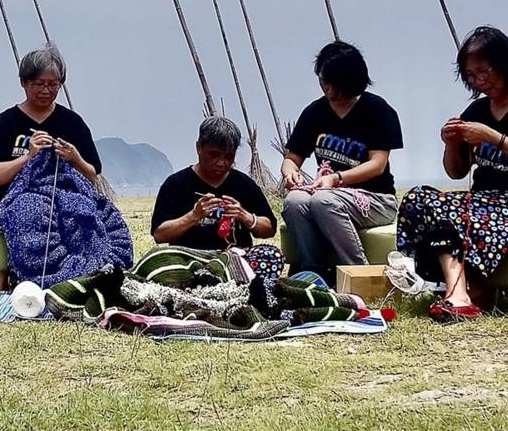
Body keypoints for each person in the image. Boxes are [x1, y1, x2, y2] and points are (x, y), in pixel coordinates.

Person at [397, 26, 508, 321]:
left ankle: (464, 292)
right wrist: (451, 145)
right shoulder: (475, 112)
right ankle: (464, 291)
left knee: (462, 214)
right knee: (419, 199)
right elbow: (456, 171)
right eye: (471, 76)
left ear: (505, 64)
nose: (479, 81)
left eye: (484, 71)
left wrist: (494, 137)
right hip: (483, 201)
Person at [281, 41, 403, 282]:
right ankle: (313, 273)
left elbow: (377, 164)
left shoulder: (377, 110)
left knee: (324, 200)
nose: (324, 86)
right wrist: (290, 173)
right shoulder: (314, 112)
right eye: (322, 80)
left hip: (375, 199)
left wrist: (336, 179)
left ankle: (360, 274)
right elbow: (291, 158)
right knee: (295, 201)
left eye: (330, 81)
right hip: (327, 194)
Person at [0, 44, 103, 206]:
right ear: (24, 82)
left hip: (66, 205)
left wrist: (75, 158)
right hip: (14, 204)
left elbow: (92, 176)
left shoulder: (73, 122)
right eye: (38, 84)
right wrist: (28, 157)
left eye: (53, 85)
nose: (46, 91)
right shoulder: (7, 121)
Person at [151, 116, 277, 251]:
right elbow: (159, 235)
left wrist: (245, 216)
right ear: (199, 148)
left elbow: (269, 229)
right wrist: (193, 216)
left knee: (272, 255)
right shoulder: (176, 184)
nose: (221, 163)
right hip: (189, 259)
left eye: (229, 157)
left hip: (236, 258)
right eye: (214, 155)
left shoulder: (244, 184)